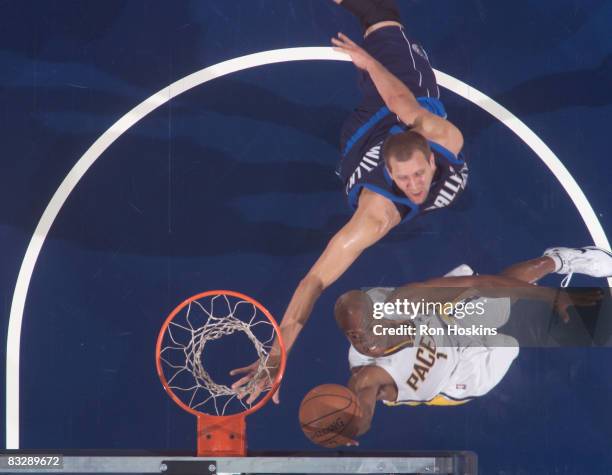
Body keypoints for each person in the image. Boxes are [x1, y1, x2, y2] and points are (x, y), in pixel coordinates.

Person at [232, 0, 467, 402]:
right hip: (366, 144)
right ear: (390, 174)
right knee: (378, 13)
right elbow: (316, 280)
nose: (414, 185)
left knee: (388, 54)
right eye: (404, 178)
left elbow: (401, 102)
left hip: (378, 125)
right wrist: (279, 350)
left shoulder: (443, 136)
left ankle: (373, 39)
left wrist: (368, 61)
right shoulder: (375, 216)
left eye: (419, 174)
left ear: (431, 159)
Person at [325, 245, 612, 445]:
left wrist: (550, 295)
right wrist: (348, 427)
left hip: (447, 324)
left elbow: (484, 283)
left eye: (366, 329)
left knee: (503, 293)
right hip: (459, 376)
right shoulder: (368, 376)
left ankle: (561, 259)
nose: (363, 341)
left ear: (380, 314)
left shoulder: (406, 300)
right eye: (353, 336)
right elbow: (362, 411)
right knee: (512, 343)